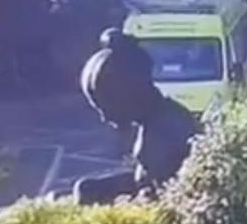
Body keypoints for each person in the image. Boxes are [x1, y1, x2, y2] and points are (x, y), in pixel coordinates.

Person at [72, 28, 197, 205]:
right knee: (85, 188)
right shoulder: (161, 118)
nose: (104, 118)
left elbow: (160, 203)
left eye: (105, 107)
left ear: (126, 96)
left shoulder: (163, 136)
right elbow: (144, 179)